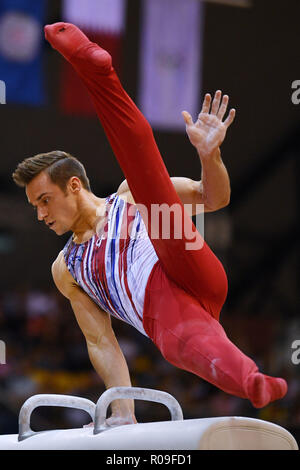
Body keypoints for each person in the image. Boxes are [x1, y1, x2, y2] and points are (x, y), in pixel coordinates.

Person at [12, 22, 287, 427]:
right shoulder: (65, 269)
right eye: (35, 206)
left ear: (74, 185)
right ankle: (253, 380)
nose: (40, 214)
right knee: (187, 338)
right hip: (173, 310)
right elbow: (102, 342)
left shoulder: (127, 196)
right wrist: (124, 412)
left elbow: (215, 199)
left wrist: (210, 158)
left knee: (146, 181)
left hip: (183, 262)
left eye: (44, 200)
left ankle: (96, 71)